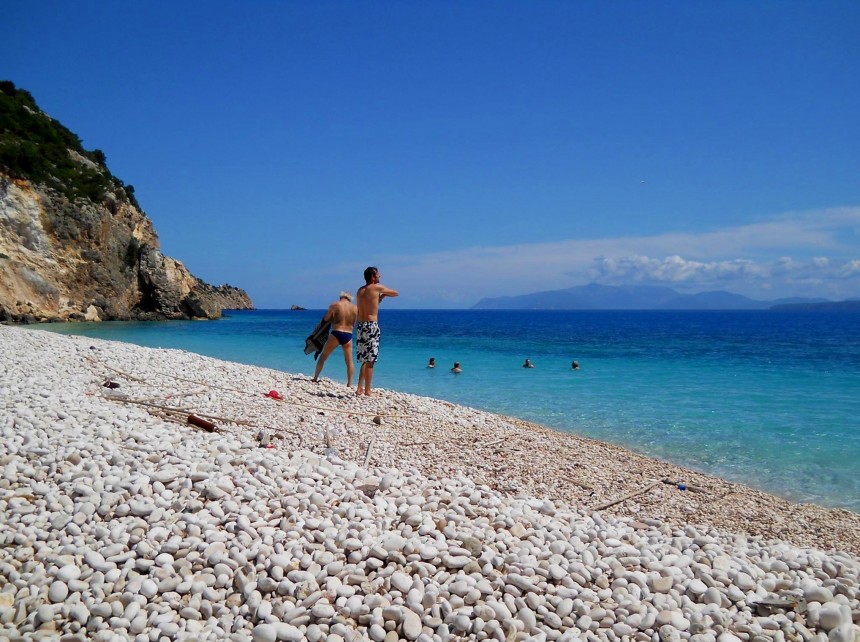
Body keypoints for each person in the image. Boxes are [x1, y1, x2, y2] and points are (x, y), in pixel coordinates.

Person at [355, 266, 399, 396]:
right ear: (373, 276)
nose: (380, 276)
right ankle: (368, 390)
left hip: (361, 325)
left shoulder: (360, 291)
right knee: (371, 360)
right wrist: (384, 292)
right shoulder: (376, 288)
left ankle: (359, 388)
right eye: (378, 275)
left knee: (364, 358)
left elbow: (370, 305)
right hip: (371, 326)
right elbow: (396, 293)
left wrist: (381, 297)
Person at [312, 292, 358, 387]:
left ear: (341, 297)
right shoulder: (355, 308)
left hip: (336, 333)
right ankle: (349, 384)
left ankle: (315, 378)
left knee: (323, 356)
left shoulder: (335, 305)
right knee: (349, 361)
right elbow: (353, 324)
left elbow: (326, 318)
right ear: (350, 299)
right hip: (348, 335)